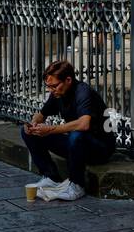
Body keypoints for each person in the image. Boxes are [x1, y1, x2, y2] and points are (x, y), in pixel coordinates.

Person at [20, 59, 116, 201]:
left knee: (77, 134)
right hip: (76, 146)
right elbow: (40, 115)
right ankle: (50, 176)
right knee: (27, 133)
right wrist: (32, 125)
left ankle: (77, 185)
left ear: (68, 80)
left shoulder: (83, 92)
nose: (51, 90)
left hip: (99, 148)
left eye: (54, 86)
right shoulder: (57, 93)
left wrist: (51, 129)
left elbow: (84, 124)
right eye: (48, 86)